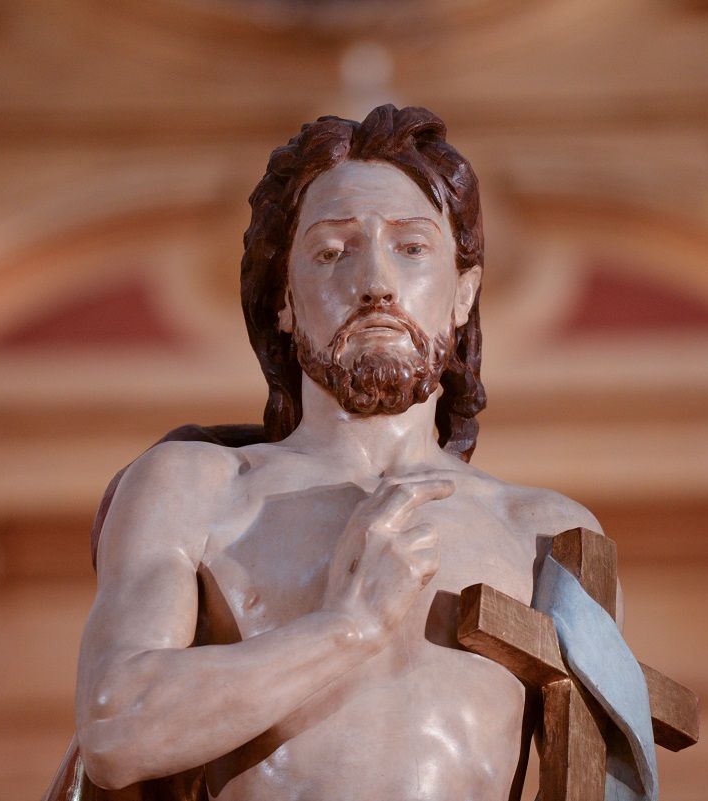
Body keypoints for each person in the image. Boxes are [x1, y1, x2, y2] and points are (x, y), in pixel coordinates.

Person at [73, 104, 601, 800]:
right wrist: (348, 627)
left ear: (464, 294)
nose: (375, 282)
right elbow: (115, 728)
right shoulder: (195, 488)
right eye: (331, 251)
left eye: (412, 247)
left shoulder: (549, 534)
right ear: (286, 300)